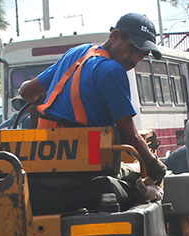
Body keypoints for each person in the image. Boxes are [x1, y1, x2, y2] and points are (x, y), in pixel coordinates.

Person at [16, 12, 169, 208]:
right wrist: (154, 164)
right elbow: (128, 134)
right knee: (141, 179)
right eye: (132, 49)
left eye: (142, 54)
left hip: (45, 166)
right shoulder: (112, 71)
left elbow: (27, 91)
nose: (134, 59)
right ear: (114, 37)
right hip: (83, 173)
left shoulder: (76, 53)